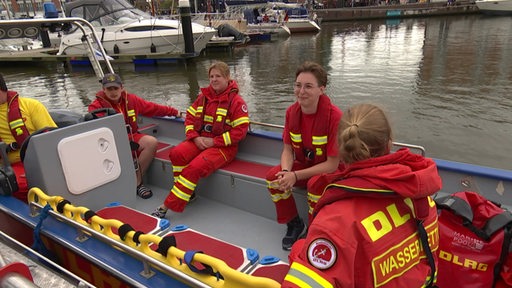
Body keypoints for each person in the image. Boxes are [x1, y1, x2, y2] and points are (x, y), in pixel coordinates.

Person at [282, 103, 441, 287]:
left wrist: (300, 251)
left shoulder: (337, 222)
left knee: (299, 248)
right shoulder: (423, 197)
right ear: (389, 142)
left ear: (340, 149)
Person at [151, 61, 250, 218]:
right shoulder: (203, 97)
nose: (214, 80)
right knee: (177, 154)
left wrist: (214, 142)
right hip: (201, 140)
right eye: (211, 76)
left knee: (193, 168)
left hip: (224, 148)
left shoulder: (237, 102)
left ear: (227, 78)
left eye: (218, 76)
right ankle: (187, 194)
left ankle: (166, 206)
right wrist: (195, 137)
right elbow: (189, 117)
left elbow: (240, 132)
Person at [266, 61, 343, 251]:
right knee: (274, 178)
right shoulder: (291, 113)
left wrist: (296, 176)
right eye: (298, 85)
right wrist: (286, 172)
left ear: (321, 90)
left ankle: (315, 229)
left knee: (315, 184)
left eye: (308, 86)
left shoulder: (335, 117)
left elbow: (332, 165)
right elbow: (287, 150)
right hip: (305, 166)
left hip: (331, 172)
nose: (301, 91)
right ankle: (294, 223)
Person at [88, 73, 181, 200]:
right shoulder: (95, 107)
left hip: (131, 137)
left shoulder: (131, 100)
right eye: (109, 89)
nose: (113, 92)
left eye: (116, 88)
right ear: (103, 90)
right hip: (110, 144)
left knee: (151, 142)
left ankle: (137, 182)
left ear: (122, 88)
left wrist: (174, 112)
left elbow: (153, 108)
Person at [0, 73, 57, 202]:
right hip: (8, 166)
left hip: (38, 160)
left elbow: (53, 138)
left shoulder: (31, 106)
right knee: (11, 184)